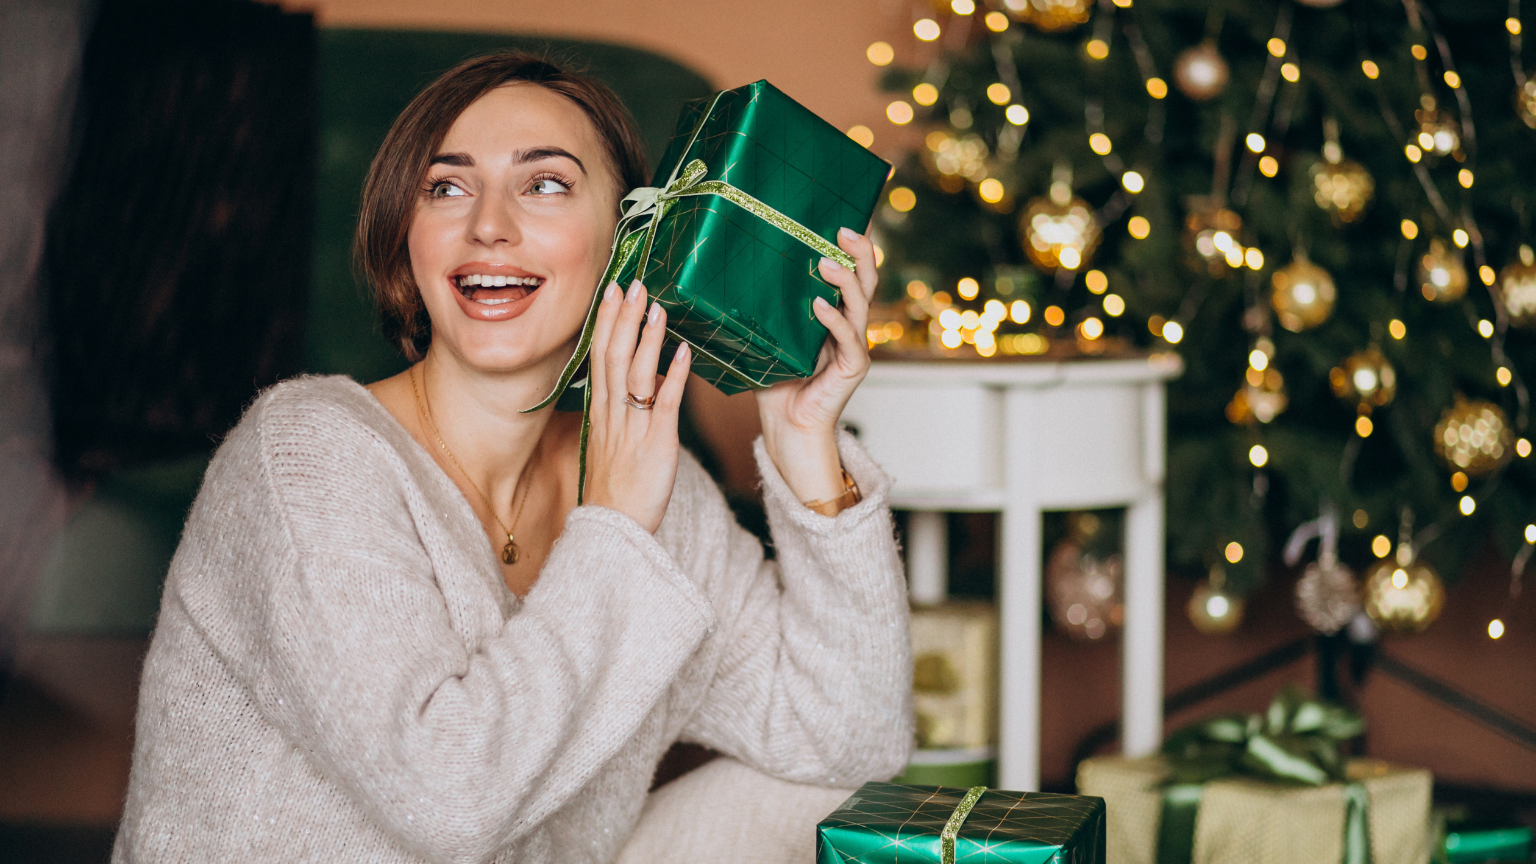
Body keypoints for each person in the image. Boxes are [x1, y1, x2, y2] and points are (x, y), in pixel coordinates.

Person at [112, 53, 912, 863]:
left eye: (546, 185)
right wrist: (614, 526)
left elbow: (850, 744)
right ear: (407, 238)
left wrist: (804, 443)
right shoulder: (303, 456)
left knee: (817, 800)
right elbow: (448, 802)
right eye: (446, 188)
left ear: (632, 242)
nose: (488, 224)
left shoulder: (658, 487)